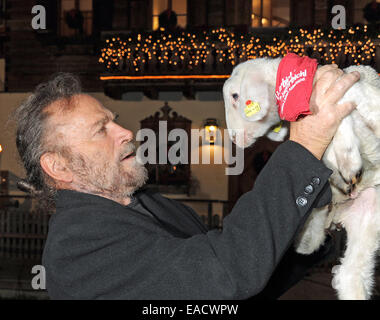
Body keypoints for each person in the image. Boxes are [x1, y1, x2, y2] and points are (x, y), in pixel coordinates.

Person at [14, 65, 360, 299]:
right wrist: (303, 148)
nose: (125, 132)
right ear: (58, 166)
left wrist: (327, 237)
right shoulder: (77, 249)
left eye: (113, 121)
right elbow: (227, 272)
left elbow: (249, 272)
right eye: (99, 130)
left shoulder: (149, 202)